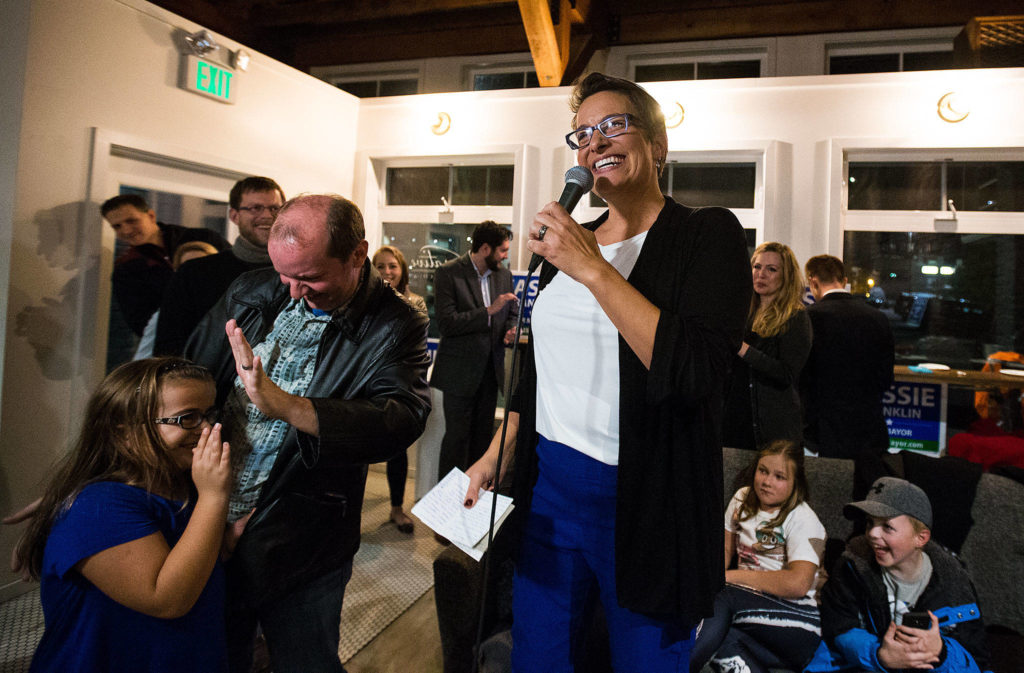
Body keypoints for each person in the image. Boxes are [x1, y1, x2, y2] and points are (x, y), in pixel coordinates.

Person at [463, 72, 752, 671]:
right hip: (550, 490)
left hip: (645, 498)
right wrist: (499, 449)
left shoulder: (706, 234)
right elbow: (538, 374)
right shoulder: (567, 247)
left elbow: (697, 368)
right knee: (537, 659)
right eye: (582, 135)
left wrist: (593, 269)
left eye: (613, 125)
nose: (595, 142)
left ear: (658, 146)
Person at [185, 193, 431, 673]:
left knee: (305, 660)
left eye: (312, 278)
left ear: (358, 254)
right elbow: (180, 377)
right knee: (215, 656)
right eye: (285, 276)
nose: (294, 291)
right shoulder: (250, 289)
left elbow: (401, 416)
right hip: (207, 513)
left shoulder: (396, 322)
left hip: (301, 534)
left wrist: (286, 406)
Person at [15, 357, 231, 672]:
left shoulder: (188, 486)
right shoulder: (98, 506)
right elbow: (166, 599)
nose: (207, 429)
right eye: (187, 418)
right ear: (125, 434)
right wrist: (214, 497)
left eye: (209, 414)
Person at [818, 477, 989, 672]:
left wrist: (941, 653)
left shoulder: (955, 584)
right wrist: (879, 655)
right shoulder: (852, 568)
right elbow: (838, 627)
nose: (872, 533)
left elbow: (977, 661)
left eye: (887, 526)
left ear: (921, 537)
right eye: (869, 523)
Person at [689, 440, 826, 673]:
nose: (766, 482)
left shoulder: (803, 518)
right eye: (762, 471)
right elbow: (723, 552)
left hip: (798, 620)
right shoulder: (742, 497)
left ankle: (679, 666)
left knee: (724, 594)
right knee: (723, 637)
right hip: (747, 613)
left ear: (796, 483)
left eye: (779, 477)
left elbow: (798, 584)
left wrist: (729, 577)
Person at [154, 177, 285, 356]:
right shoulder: (195, 273)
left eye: (275, 208)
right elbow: (169, 347)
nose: (267, 216)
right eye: (255, 208)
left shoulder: (298, 275)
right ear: (234, 216)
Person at [431, 221, 517, 485]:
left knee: (482, 442)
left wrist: (510, 328)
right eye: (501, 250)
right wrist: (488, 312)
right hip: (459, 374)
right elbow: (446, 323)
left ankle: (473, 501)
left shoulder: (503, 274)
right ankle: (444, 506)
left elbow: (511, 311)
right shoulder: (448, 273)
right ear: (484, 248)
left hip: (490, 373)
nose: (505, 256)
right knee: (456, 440)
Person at [801, 254, 895, 459]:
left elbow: (803, 377)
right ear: (844, 281)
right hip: (870, 427)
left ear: (813, 282)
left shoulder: (809, 317)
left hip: (826, 430)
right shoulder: (878, 318)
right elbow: (886, 379)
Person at [722, 241, 812, 452]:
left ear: (786, 276)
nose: (761, 274)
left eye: (771, 269)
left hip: (774, 430)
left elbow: (786, 373)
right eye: (757, 267)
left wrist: (744, 350)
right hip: (733, 422)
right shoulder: (740, 311)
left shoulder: (795, 317)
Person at [103, 193, 230, 338]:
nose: (126, 230)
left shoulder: (204, 238)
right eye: (117, 226)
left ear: (151, 216)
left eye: (132, 221)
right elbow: (141, 325)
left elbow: (238, 278)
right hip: (182, 345)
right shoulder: (125, 270)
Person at [373, 244, 427, 533]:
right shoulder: (363, 301)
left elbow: (413, 339)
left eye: (392, 266)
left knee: (397, 447)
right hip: (367, 384)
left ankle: (397, 508)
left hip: (399, 384)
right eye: (380, 266)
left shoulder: (415, 301)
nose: (386, 271)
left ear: (402, 269)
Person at [134, 241, 221, 359]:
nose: (194, 274)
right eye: (187, 268)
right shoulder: (167, 314)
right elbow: (143, 359)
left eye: (202, 267)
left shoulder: (230, 306)